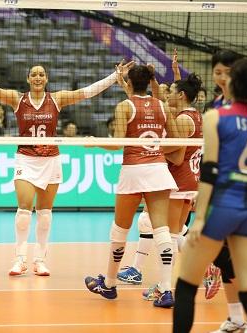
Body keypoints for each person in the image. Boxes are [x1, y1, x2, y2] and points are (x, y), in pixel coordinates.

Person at [0, 54, 134, 276]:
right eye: (34, 74)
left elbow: (88, 92)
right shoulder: (17, 98)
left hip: (51, 159)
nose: (38, 77)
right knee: (23, 209)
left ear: (46, 79)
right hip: (26, 158)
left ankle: (40, 260)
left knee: (45, 213)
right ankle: (19, 259)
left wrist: (114, 77)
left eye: (41, 74)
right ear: (28, 79)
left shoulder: (57, 99)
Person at [84, 65, 180, 308]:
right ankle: (167, 290)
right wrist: (156, 148)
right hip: (158, 170)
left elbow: (117, 143)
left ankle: (110, 283)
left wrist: (94, 143)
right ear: (149, 82)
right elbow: (177, 139)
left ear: (129, 82)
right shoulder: (162, 105)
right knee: (162, 230)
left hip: (133, 172)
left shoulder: (124, 107)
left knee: (120, 231)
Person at [173, 57, 247, 333]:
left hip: (222, 206)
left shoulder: (215, 117)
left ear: (232, 82)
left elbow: (209, 173)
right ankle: (237, 318)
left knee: (186, 284)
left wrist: (198, 220)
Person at [117, 74, 204, 296]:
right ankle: (162, 283)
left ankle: (197, 271)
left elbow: (177, 156)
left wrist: (146, 149)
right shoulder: (192, 115)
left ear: (181, 95)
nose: (168, 95)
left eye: (172, 91)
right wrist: (131, 90)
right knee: (170, 233)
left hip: (179, 180)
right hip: (187, 179)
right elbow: (154, 105)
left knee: (165, 232)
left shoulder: (184, 120)